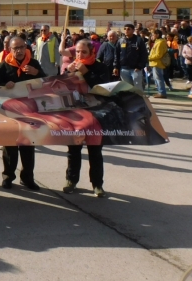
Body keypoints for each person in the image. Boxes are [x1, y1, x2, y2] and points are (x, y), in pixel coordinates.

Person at [0, 36, 45, 191]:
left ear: (26, 47)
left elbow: (45, 83)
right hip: (10, 112)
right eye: (15, 48)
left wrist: (36, 72)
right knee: (10, 146)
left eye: (22, 47)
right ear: (10, 50)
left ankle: (27, 178)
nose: (19, 51)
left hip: (30, 111)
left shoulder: (34, 63)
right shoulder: (3, 66)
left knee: (28, 145)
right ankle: (8, 177)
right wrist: (5, 85)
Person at [63, 39, 109, 197]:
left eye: (83, 52)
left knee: (95, 151)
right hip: (75, 115)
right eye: (77, 52)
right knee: (73, 150)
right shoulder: (71, 67)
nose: (79, 55)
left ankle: (97, 184)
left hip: (95, 114)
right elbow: (60, 89)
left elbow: (103, 88)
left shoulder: (100, 67)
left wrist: (87, 73)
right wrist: (67, 74)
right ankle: (71, 180)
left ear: (92, 53)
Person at [113, 24, 148, 91]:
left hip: (136, 69)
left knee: (138, 88)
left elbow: (144, 54)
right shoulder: (120, 41)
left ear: (133, 30)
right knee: (127, 88)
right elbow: (116, 55)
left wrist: (140, 66)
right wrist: (115, 67)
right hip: (124, 69)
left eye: (129, 29)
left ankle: (140, 101)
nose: (126, 30)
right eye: (125, 29)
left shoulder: (139, 40)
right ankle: (131, 101)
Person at [148, 29, 168, 99]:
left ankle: (162, 92)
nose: (151, 36)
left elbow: (159, 55)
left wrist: (149, 58)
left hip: (157, 63)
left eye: (153, 35)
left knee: (159, 78)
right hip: (155, 63)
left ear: (157, 35)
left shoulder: (160, 43)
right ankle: (160, 92)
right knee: (157, 78)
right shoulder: (158, 42)